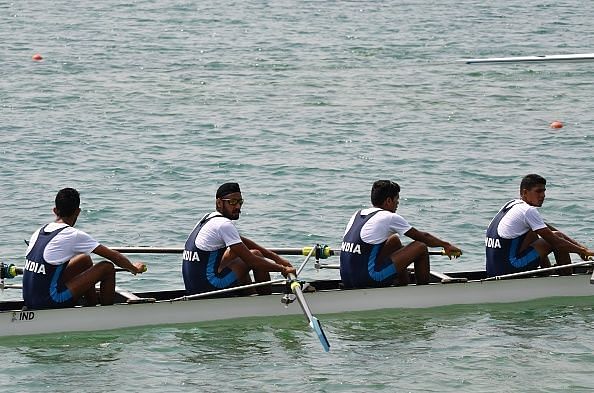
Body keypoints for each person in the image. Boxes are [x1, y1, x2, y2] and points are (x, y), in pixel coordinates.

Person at [23, 188, 146, 309]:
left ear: (55, 210)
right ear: (78, 212)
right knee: (107, 267)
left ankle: (91, 307)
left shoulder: (39, 231)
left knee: (84, 260)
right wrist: (134, 268)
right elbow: (114, 256)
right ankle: (107, 314)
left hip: (29, 299)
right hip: (50, 301)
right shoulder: (73, 234)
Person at [340, 180, 462, 288]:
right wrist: (446, 245)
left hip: (346, 278)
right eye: (397, 199)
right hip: (369, 279)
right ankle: (423, 292)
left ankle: (402, 283)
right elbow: (423, 237)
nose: (398, 203)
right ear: (388, 200)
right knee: (420, 247)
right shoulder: (389, 217)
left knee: (394, 240)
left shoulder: (357, 214)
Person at [182, 182, 296, 295]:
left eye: (240, 202)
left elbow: (242, 241)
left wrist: (277, 258)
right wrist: (283, 269)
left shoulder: (208, 218)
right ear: (219, 203)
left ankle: (249, 296)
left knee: (238, 252)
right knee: (255, 256)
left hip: (194, 288)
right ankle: (266, 302)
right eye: (232, 202)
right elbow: (252, 260)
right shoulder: (224, 224)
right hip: (208, 288)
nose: (237, 206)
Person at [485, 174, 594, 277]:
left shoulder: (512, 204)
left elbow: (546, 229)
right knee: (556, 238)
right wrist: (584, 252)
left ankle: (547, 272)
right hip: (510, 269)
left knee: (534, 232)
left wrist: (581, 248)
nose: (543, 195)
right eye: (538, 191)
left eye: (543, 191)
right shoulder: (528, 210)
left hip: (494, 270)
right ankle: (566, 278)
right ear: (525, 192)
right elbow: (556, 241)